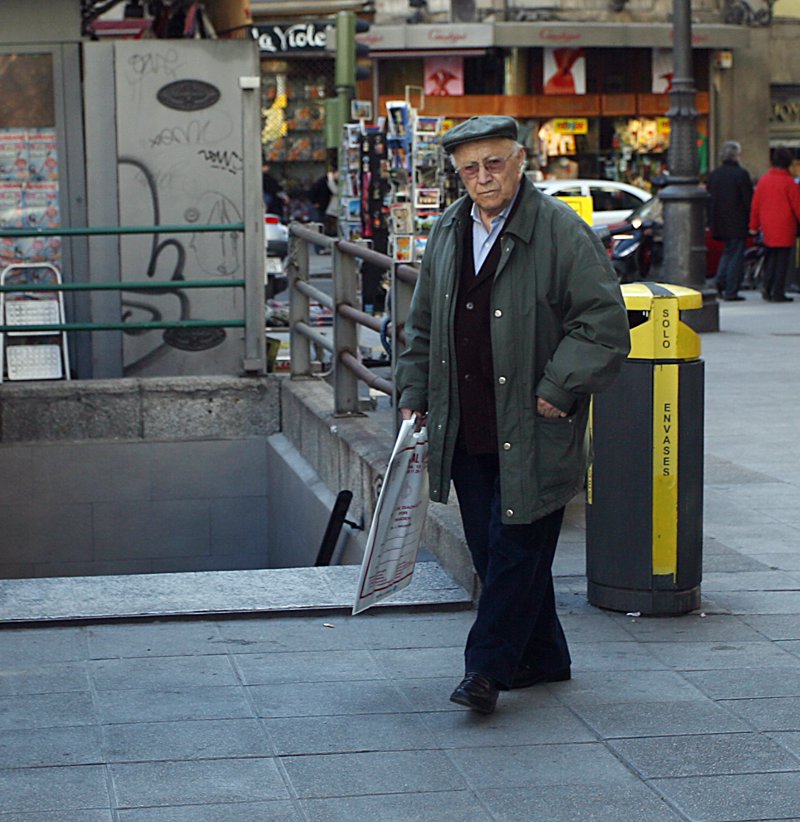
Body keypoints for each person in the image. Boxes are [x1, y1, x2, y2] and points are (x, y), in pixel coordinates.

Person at [395, 115, 630, 715]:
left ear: (520, 161)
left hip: (534, 425)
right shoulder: (449, 229)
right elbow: (423, 323)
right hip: (466, 423)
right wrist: (414, 389)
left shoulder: (560, 230)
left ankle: (485, 671)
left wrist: (560, 386)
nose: (483, 177)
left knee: (515, 549)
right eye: (469, 169)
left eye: (493, 163)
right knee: (492, 550)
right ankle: (544, 656)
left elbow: (603, 323)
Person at [749, 146, 800, 303]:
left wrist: (753, 226)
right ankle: (778, 292)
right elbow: (797, 206)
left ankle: (767, 287)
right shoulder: (789, 182)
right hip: (785, 226)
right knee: (782, 261)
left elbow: (755, 205)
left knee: (770, 258)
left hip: (767, 227)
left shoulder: (764, 180)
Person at [707, 140, 753, 301]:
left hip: (720, 222)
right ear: (736, 156)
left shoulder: (715, 175)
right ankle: (730, 289)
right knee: (735, 256)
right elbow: (748, 200)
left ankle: (720, 281)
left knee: (728, 252)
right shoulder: (741, 174)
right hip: (737, 222)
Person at [309, 167, 339, 254]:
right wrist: (314, 202)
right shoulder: (326, 181)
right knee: (318, 227)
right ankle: (319, 248)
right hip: (319, 207)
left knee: (320, 227)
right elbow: (334, 191)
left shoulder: (327, 180)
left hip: (322, 207)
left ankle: (321, 248)